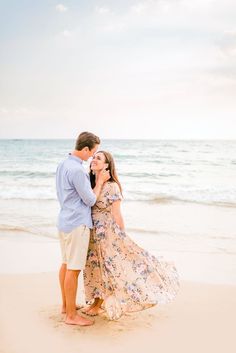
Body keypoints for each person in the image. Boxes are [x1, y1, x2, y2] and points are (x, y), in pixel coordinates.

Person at [82, 151, 180, 320]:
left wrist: (122, 236)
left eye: (98, 158)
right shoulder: (92, 183)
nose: (93, 160)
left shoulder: (111, 186)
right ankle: (97, 302)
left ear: (107, 165)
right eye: (93, 157)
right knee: (94, 267)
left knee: (109, 268)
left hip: (107, 234)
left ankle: (98, 305)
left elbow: (117, 214)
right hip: (92, 233)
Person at [56, 132, 110, 326]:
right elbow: (90, 200)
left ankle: (65, 306)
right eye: (93, 152)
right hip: (77, 223)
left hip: (64, 221)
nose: (91, 157)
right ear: (86, 148)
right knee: (73, 269)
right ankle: (71, 316)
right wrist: (101, 182)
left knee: (65, 264)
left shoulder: (63, 164)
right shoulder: (78, 170)